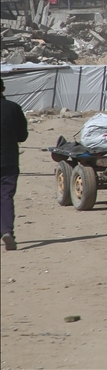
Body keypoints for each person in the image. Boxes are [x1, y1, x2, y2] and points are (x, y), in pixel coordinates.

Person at [1, 78, 29, 251]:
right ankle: (7, 230)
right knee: (5, 196)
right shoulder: (13, 108)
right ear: (3, 88)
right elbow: (22, 136)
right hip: (8, 160)